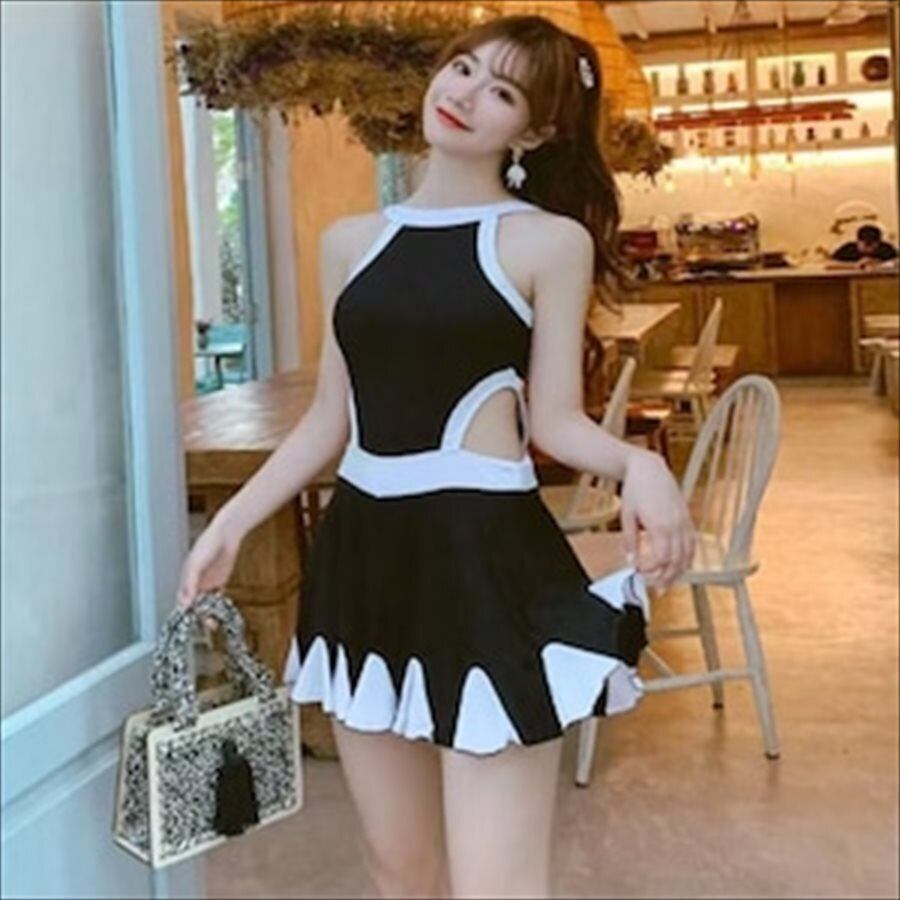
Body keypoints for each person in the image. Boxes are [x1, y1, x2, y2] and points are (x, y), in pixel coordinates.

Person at [177, 14, 696, 899]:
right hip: (365, 562)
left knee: (498, 884)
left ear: (532, 131)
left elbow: (557, 420)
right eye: (463, 68)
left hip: (484, 561)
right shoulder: (350, 242)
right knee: (399, 869)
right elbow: (330, 421)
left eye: (502, 91)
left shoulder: (547, 242)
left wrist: (641, 466)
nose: (465, 95)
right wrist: (231, 522)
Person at [831, 224, 898, 265]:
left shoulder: (886, 249)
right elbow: (830, 264)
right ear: (858, 242)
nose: (868, 248)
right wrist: (855, 265)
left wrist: (879, 263)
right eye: (866, 244)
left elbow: (896, 261)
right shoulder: (848, 249)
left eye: (871, 245)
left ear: (878, 243)